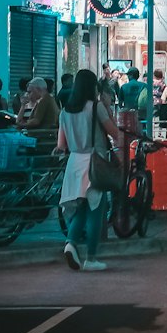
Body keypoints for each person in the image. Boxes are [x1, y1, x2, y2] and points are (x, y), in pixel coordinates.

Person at [57, 68, 118, 272]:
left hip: (74, 162)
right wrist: (108, 109)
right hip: (94, 163)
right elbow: (114, 133)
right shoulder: (96, 107)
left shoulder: (65, 111)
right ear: (92, 87)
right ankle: (91, 257)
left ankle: (70, 243)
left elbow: (62, 144)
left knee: (81, 207)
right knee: (95, 210)